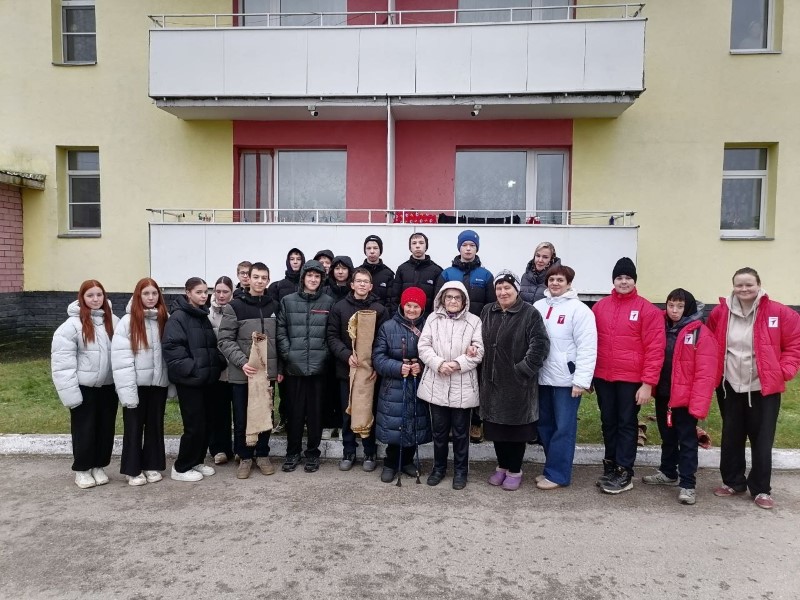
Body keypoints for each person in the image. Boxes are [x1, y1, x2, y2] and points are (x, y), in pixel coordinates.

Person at [707, 268, 800, 509]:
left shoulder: (779, 312)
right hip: (729, 385)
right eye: (739, 285)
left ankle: (761, 489)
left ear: (759, 285)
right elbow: (711, 341)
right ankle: (733, 481)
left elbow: (794, 344)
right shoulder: (720, 312)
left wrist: (783, 371)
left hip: (763, 386)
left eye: (749, 284)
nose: (744, 289)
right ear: (733, 287)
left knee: (762, 438)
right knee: (731, 435)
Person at [592, 257, 665, 494]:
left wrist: (648, 383)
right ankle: (611, 466)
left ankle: (624, 471)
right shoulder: (600, 307)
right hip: (603, 377)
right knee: (608, 422)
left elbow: (655, 349)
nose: (623, 282)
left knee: (626, 423)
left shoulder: (648, 311)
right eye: (619, 277)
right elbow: (591, 343)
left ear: (634, 280)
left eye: (628, 278)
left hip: (631, 380)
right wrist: (589, 375)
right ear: (613, 280)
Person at [641, 288, 717, 505]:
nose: (674, 310)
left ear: (688, 308)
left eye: (680, 306)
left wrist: (698, 404)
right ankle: (668, 472)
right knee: (667, 436)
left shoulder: (700, 333)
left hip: (685, 398)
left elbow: (705, 373)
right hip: (664, 393)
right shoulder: (661, 327)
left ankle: (688, 484)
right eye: (671, 305)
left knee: (687, 440)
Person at [480, 270, 549, 491]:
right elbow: (478, 339)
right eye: (499, 288)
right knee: (496, 428)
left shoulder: (529, 313)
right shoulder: (487, 311)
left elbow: (540, 345)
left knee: (515, 430)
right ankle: (501, 466)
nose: (503, 292)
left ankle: (515, 469)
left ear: (516, 289)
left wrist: (523, 370)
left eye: (507, 287)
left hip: (517, 384)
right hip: (491, 382)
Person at [533, 264, 597, 489]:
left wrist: (581, 381)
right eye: (552, 279)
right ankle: (551, 468)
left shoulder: (580, 311)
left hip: (566, 380)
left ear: (569, 283)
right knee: (545, 425)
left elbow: (588, 347)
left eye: (560, 280)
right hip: (542, 377)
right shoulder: (539, 306)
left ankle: (558, 475)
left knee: (563, 427)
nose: (555, 283)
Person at [51, 280, 119, 489]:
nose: (95, 299)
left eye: (99, 295)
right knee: (84, 430)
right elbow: (62, 364)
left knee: (105, 429)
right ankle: (82, 469)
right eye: (90, 295)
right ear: (82, 298)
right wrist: (71, 395)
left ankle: (99, 465)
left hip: (108, 388)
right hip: (84, 389)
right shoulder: (70, 326)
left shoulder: (113, 321)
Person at [417, 281, 483, 489]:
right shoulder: (433, 319)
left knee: (461, 433)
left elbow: (478, 351)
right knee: (439, 432)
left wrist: (457, 363)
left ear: (464, 300)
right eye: (449, 297)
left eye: (457, 297)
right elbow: (423, 346)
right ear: (442, 299)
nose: (453, 301)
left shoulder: (474, 321)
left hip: (462, 385)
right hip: (437, 382)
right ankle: (439, 468)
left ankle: (461, 471)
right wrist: (439, 364)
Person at [218, 262, 281, 479]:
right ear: (248, 279)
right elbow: (225, 340)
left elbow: (279, 340)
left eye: (264, 278)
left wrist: (278, 368)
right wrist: (242, 361)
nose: (259, 281)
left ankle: (262, 454)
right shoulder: (234, 307)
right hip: (242, 373)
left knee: (265, 414)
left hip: (266, 375)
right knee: (242, 417)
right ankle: (244, 456)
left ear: (268, 280)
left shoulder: (274, 306)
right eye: (256, 277)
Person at [163, 277, 225, 482]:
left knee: (206, 424)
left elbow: (210, 346)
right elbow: (173, 349)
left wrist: (216, 364)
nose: (203, 296)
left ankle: (197, 461)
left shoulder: (201, 316)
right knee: (194, 426)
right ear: (188, 293)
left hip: (206, 380)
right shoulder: (178, 317)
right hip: (190, 382)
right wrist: (193, 369)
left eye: (205, 292)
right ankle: (181, 467)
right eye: (198, 292)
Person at [435, 229, 495, 443]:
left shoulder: (485, 275)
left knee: (474, 378)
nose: (468, 249)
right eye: (465, 245)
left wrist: (482, 335)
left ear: (477, 248)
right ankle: (451, 424)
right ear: (459, 247)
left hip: (474, 333)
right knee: (449, 375)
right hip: (449, 333)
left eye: (472, 245)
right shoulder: (447, 273)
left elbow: (490, 307)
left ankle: (475, 423)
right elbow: (438, 304)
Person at [326, 267, 388, 472]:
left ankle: (370, 451)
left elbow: (384, 340)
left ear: (371, 286)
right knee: (348, 411)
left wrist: (376, 364)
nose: (362, 284)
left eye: (366, 282)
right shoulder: (339, 307)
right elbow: (332, 336)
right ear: (352, 285)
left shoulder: (380, 309)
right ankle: (349, 451)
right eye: (358, 281)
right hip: (347, 370)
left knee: (369, 410)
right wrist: (346, 355)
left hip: (370, 371)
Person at [111, 277, 171, 486]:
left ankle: (152, 464)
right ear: (138, 295)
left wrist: (170, 383)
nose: (151, 297)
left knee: (155, 426)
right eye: (146, 293)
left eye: (154, 293)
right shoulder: (127, 322)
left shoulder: (164, 318)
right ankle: (132, 469)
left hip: (158, 384)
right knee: (133, 428)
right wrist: (127, 390)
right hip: (135, 385)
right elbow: (121, 359)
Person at [276, 260, 335, 473]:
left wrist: (324, 355)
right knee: (295, 413)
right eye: (309, 275)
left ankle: (312, 453)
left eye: (317, 276)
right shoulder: (288, 301)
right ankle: (292, 453)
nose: (313, 279)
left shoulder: (328, 302)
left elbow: (331, 333)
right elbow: (281, 330)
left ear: (322, 279)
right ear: (303, 278)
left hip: (319, 369)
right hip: (294, 368)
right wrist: (289, 355)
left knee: (315, 413)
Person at [374, 287, 432, 483]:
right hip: (394, 385)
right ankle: (390, 463)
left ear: (422, 308)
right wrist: (398, 367)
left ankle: (407, 461)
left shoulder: (429, 326)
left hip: (418, 383)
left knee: (414, 423)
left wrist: (421, 366)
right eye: (408, 305)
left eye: (416, 306)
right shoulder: (388, 327)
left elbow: (435, 353)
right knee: (394, 424)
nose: (412, 310)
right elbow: (378, 357)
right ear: (402, 305)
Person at [268, 247, 305, 433]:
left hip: (304, 339)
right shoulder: (278, 286)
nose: (295, 262)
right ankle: (284, 418)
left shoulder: (308, 284)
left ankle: (302, 419)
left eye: (298, 258)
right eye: (292, 258)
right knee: (285, 386)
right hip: (284, 338)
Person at [207, 276, 235, 465]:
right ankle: (219, 449)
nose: (221, 295)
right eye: (218, 291)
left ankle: (240, 448)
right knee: (218, 412)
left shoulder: (237, 311)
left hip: (236, 369)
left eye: (225, 291)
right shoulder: (207, 314)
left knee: (239, 413)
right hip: (217, 371)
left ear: (232, 293)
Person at [390, 232, 442, 315]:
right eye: (414, 243)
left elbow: (438, 299)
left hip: (427, 318)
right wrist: (397, 316)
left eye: (421, 243)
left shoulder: (436, 270)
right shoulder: (402, 269)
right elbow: (395, 297)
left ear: (426, 246)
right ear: (410, 247)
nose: (417, 246)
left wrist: (432, 318)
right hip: (405, 317)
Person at [361, 234, 394, 308]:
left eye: (375, 248)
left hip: (381, 313)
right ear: (365, 250)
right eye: (368, 248)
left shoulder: (388, 274)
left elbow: (390, 300)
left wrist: (384, 313)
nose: (372, 251)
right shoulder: (357, 272)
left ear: (380, 250)